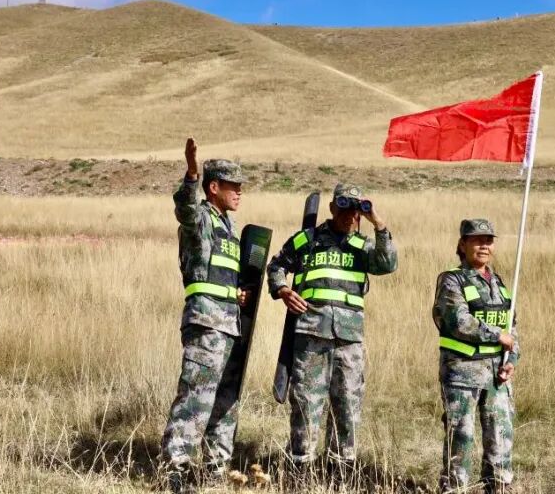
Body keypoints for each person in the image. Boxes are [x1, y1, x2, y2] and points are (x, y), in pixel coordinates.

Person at [266, 183, 398, 480]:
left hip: (348, 342)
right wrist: (283, 290)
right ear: (332, 209)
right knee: (306, 403)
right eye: (345, 208)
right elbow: (275, 266)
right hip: (311, 337)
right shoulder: (308, 240)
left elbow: (387, 264)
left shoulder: (363, 246)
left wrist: (378, 222)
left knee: (348, 404)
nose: (351, 215)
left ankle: (341, 471)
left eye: (357, 209)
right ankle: (300, 470)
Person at [161, 138, 250, 493]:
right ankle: (176, 472)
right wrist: (192, 172)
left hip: (229, 326)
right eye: (233, 187)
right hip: (206, 323)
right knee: (195, 398)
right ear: (214, 188)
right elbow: (183, 206)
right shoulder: (200, 217)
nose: (240, 193)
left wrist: (239, 294)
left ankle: (215, 471)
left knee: (225, 403)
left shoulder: (229, 229)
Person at [433, 218, 519, 493]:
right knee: (461, 437)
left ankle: (498, 487)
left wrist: (512, 361)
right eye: (477, 240)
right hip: (462, 374)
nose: (484, 245)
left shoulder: (500, 283)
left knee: (500, 437)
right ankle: (455, 489)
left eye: (489, 240)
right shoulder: (452, 280)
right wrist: (496, 335)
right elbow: (459, 321)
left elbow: (512, 329)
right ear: (462, 244)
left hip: (497, 377)